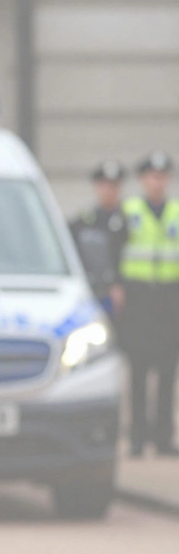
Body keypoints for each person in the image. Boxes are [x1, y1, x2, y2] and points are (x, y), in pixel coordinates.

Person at [117, 150, 179, 458]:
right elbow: (115, 251)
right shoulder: (129, 211)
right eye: (153, 177)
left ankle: (164, 438)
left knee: (168, 371)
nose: (158, 182)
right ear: (143, 179)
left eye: (162, 176)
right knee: (139, 370)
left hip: (170, 298)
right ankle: (138, 438)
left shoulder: (176, 212)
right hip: (139, 298)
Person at [69, 160, 128, 320]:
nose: (109, 191)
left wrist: (118, 284)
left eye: (114, 186)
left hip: (123, 292)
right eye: (105, 185)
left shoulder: (128, 220)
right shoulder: (84, 221)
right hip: (91, 289)